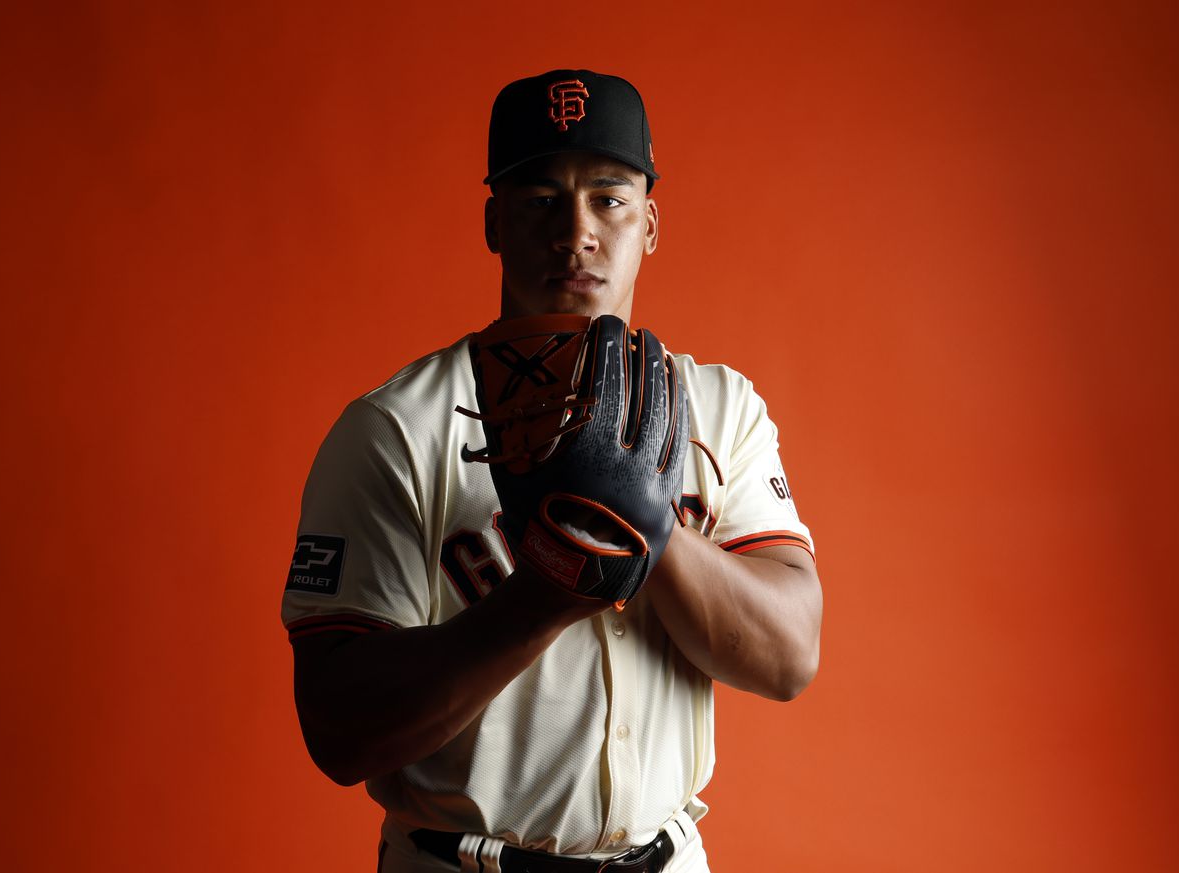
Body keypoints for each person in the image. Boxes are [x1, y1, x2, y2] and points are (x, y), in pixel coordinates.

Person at [282, 69, 822, 873]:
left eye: (609, 198)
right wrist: (541, 595)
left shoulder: (721, 408)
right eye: (540, 200)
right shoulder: (395, 428)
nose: (576, 233)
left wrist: (649, 528)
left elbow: (788, 656)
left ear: (651, 223)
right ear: (495, 223)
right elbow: (339, 729)